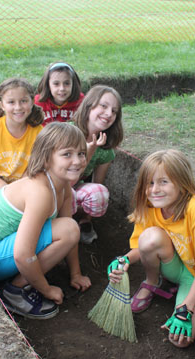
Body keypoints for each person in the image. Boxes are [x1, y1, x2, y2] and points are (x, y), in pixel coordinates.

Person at [0, 122, 91, 319]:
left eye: (81, 153)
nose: (77, 161)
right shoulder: (40, 192)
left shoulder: (63, 186)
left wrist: (75, 273)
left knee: (69, 228)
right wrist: (46, 289)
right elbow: (22, 254)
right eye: (67, 154)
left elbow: (71, 236)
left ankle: (26, 278)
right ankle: (15, 291)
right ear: (46, 158)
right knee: (68, 228)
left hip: (2, 247)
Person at [108, 149, 195, 348]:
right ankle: (152, 282)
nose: (154, 190)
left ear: (182, 183)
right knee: (149, 237)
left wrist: (185, 309)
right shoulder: (150, 205)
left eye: (163, 182)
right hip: (172, 265)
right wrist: (124, 260)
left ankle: (183, 296)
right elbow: (140, 247)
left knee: (179, 339)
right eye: (150, 183)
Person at [72, 85, 123, 244]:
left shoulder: (106, 149)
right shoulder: (67, 132)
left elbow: (97, 184)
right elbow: (63, 177)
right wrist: (88, 151)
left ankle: (80, 222)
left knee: (99, 194)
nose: (109, 114)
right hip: (52, 188)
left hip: (74, 189)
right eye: (103, 106)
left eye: (114, 111)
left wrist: (87, 218)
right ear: (88, 105)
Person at [34, 62, 84, 126]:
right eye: (56, 84)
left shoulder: (81, 103)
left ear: (73, 84)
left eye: (66, 83)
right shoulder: (38, 104)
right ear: (48, 85)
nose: (62, 88)